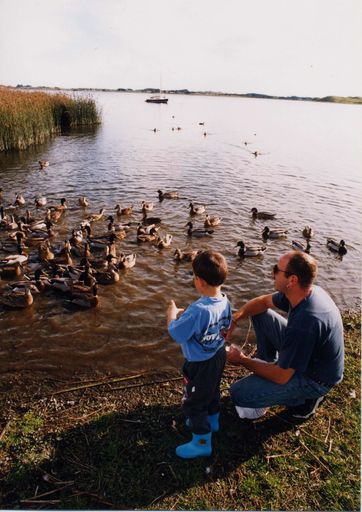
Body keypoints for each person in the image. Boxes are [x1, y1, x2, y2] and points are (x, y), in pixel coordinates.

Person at [226, 250, 344, 420]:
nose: (272, 273)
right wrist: (235, 318)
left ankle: (305, 401)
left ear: (292, 280)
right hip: (308, 354)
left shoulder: (306, 322)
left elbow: (282, 377)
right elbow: (263, 302)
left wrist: (242, 360)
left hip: (316, 378)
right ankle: (267, 364)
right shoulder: (304, 292)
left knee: (238, 394)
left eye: (276, 270)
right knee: (260, 313)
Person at [167, 250, 232, 459]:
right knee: (211, 390)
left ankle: (202, 442)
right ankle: (212, 420)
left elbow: (176, 333)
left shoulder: (198, 310)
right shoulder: (225, 300)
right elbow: (222, 326)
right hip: (218, 355)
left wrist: (172, 313)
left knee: (193, 403)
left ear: (200, 281)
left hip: (199, 363)